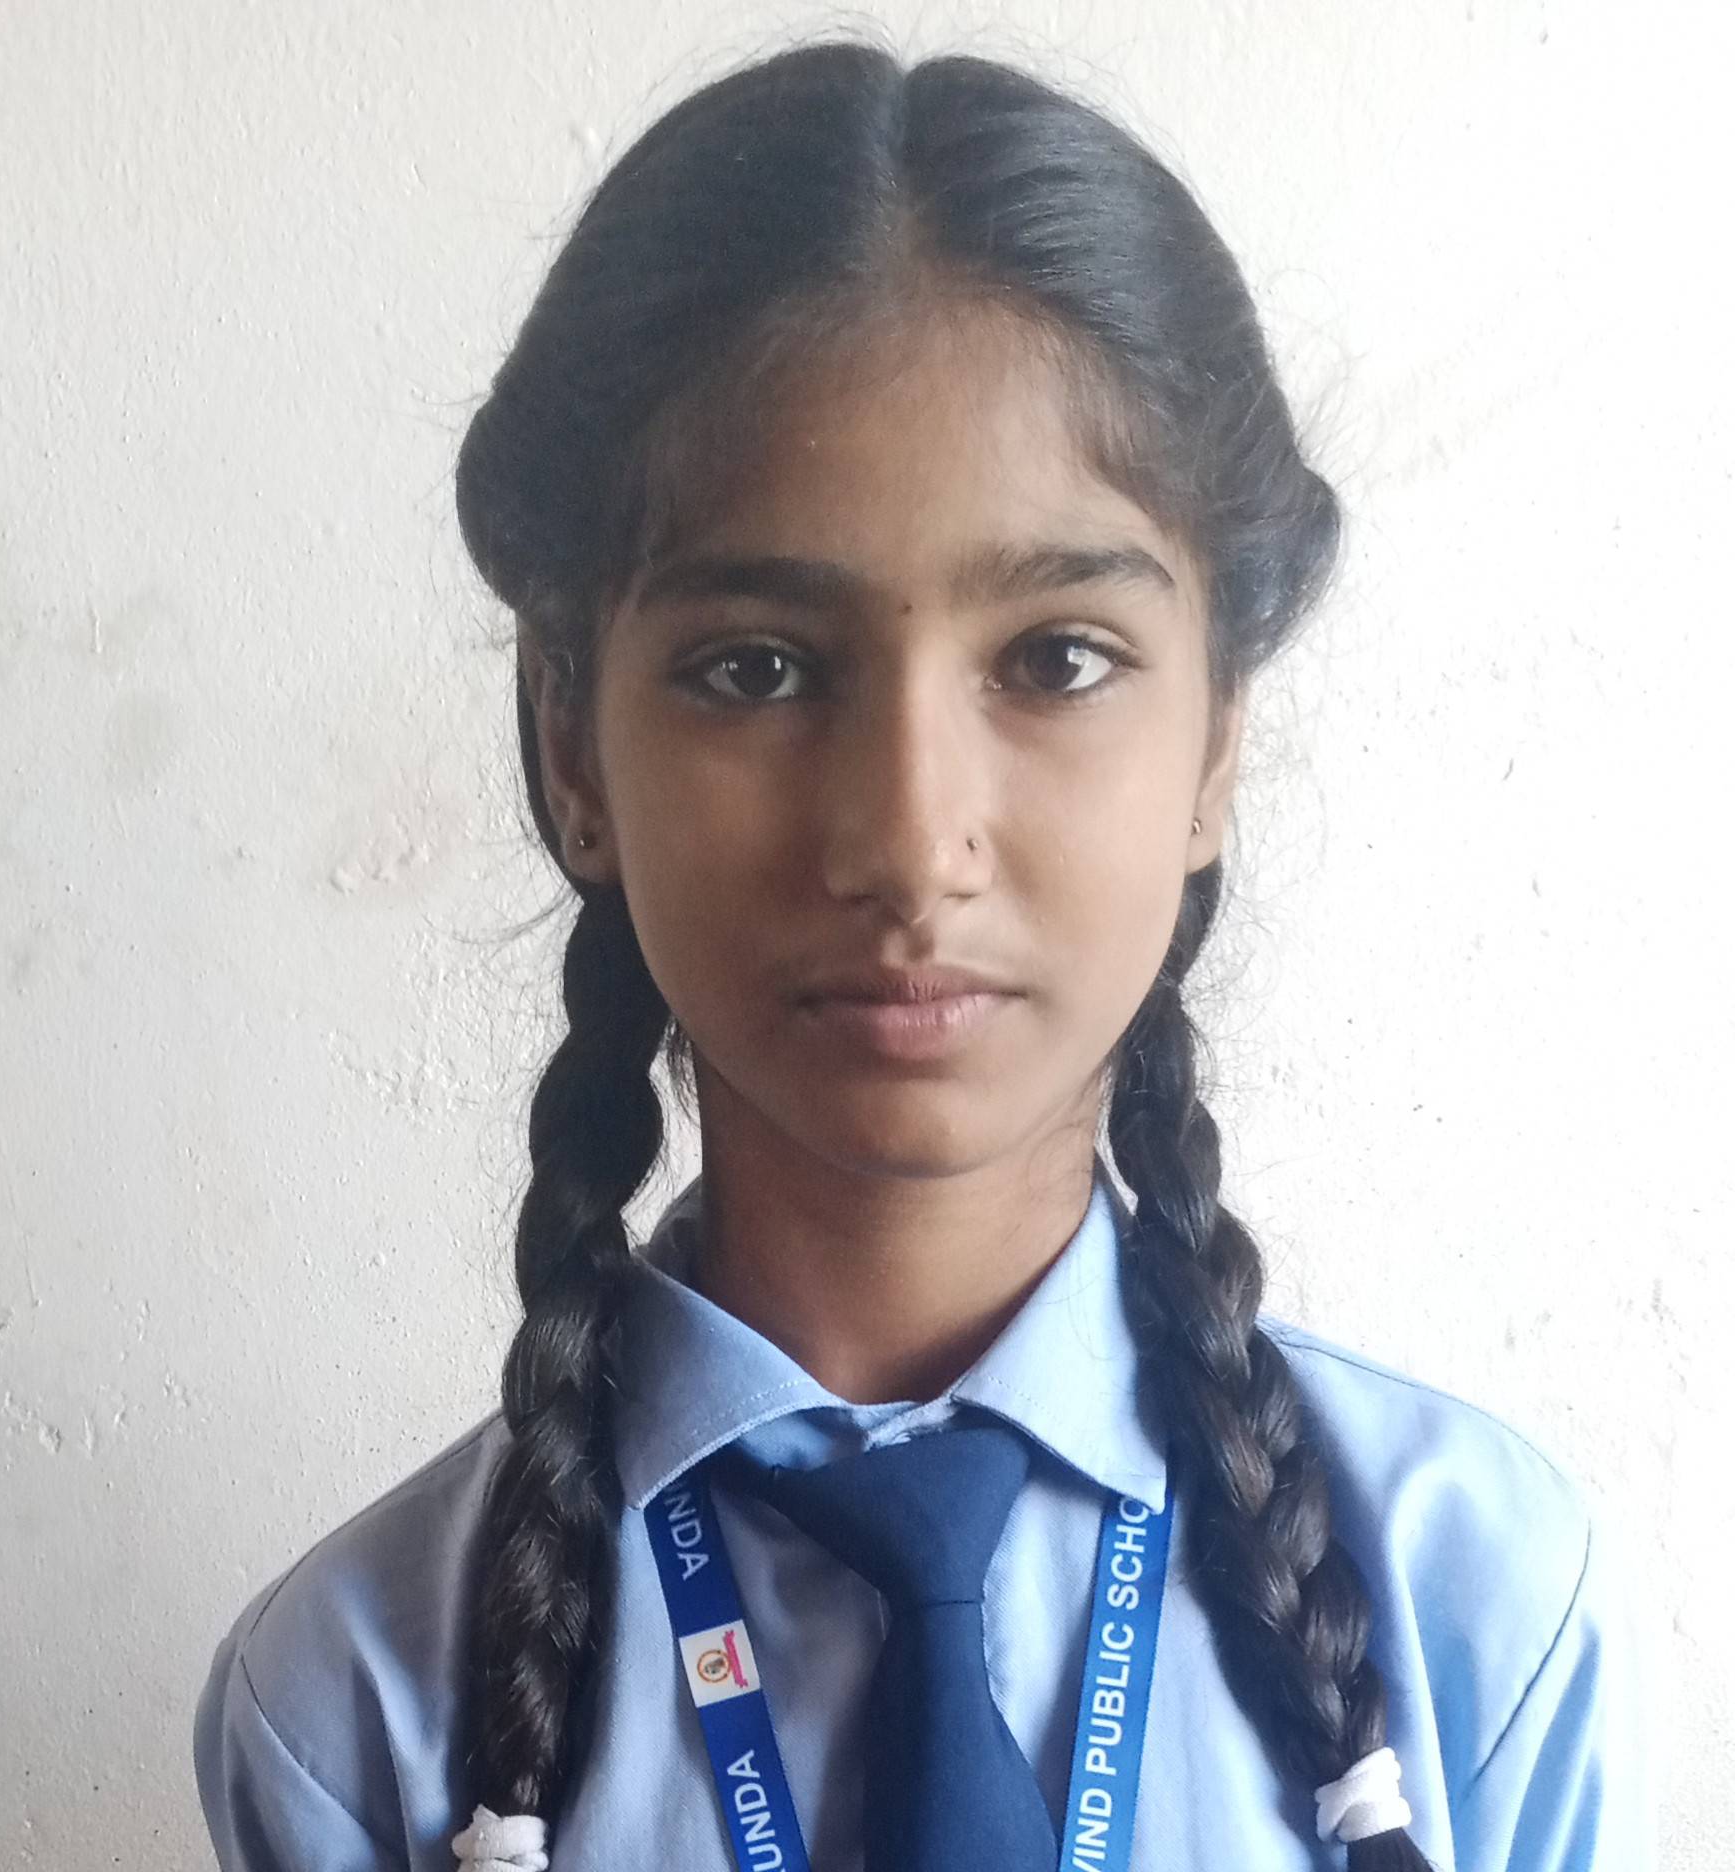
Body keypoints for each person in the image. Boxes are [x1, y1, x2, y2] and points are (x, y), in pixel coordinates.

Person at [192, 38, 1644, 1872]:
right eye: (757, 668)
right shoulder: (360, 1713)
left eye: (1058, 658)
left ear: (1215, 741)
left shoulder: (1469, 1603)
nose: (907, 838)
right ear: (573, 749)